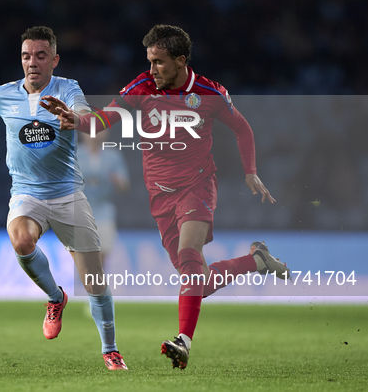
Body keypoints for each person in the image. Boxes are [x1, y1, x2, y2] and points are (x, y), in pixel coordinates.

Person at [40, 24, 290, 370]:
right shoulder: (141, 86)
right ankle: (257, 261)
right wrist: (77, 121)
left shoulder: (209, 92)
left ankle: (183, 341)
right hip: (160, 195)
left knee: (189, 255)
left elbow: (242, 127)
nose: (152, 69)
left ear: (180, 60)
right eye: (150, 61)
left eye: (158, 62)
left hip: (198, 186)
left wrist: (250, 171)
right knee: (197, 282)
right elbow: (104, 118)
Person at [0, 26, 127, 370]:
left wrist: (74, 119)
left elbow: (88, 119)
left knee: (94, 279)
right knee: (21, 239)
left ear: (54, 60)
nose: (32, 62)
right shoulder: (2, 94)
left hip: (68, 193)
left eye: (41, 55)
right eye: (27, 56)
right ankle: (55, 297)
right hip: (26, 193)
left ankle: (110, 349)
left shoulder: (68, 88)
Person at [76, 131, 130, 264]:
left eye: (99, 130)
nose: (94, 135)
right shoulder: (75, 154)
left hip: (104, 209)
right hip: (80, 210)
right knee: (83, 252)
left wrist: (117, 180)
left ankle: (97, 281)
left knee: (103, 250)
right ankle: (87, 280)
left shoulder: (113, 155)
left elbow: (125, 185)